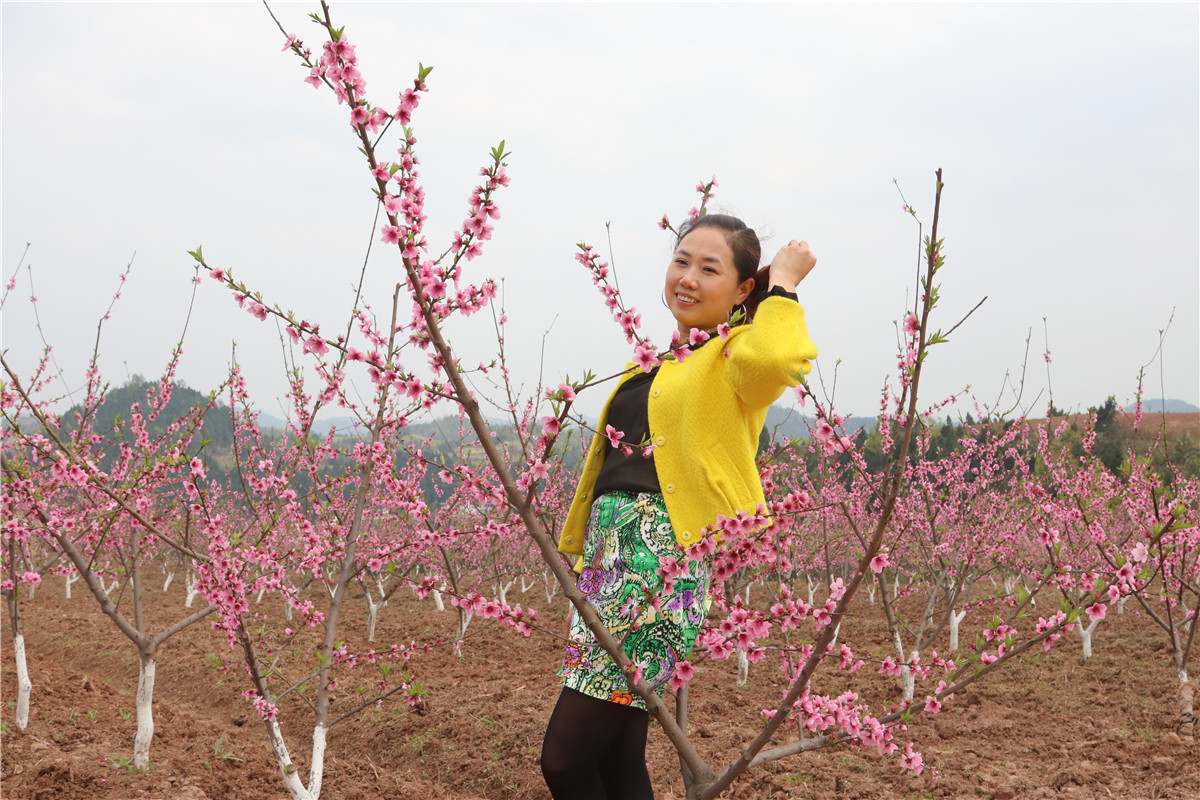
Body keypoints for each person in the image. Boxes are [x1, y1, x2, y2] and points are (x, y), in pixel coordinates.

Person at [540, 213, 819, 800]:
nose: (687, 277)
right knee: (618, 759)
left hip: (656, 568)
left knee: (564, 761)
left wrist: (785, 285)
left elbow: (776, 362)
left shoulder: (734, 357)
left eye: (709, 268)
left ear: (745, 289)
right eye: (681, 261)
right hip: (611, 562)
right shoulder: (668, 359)